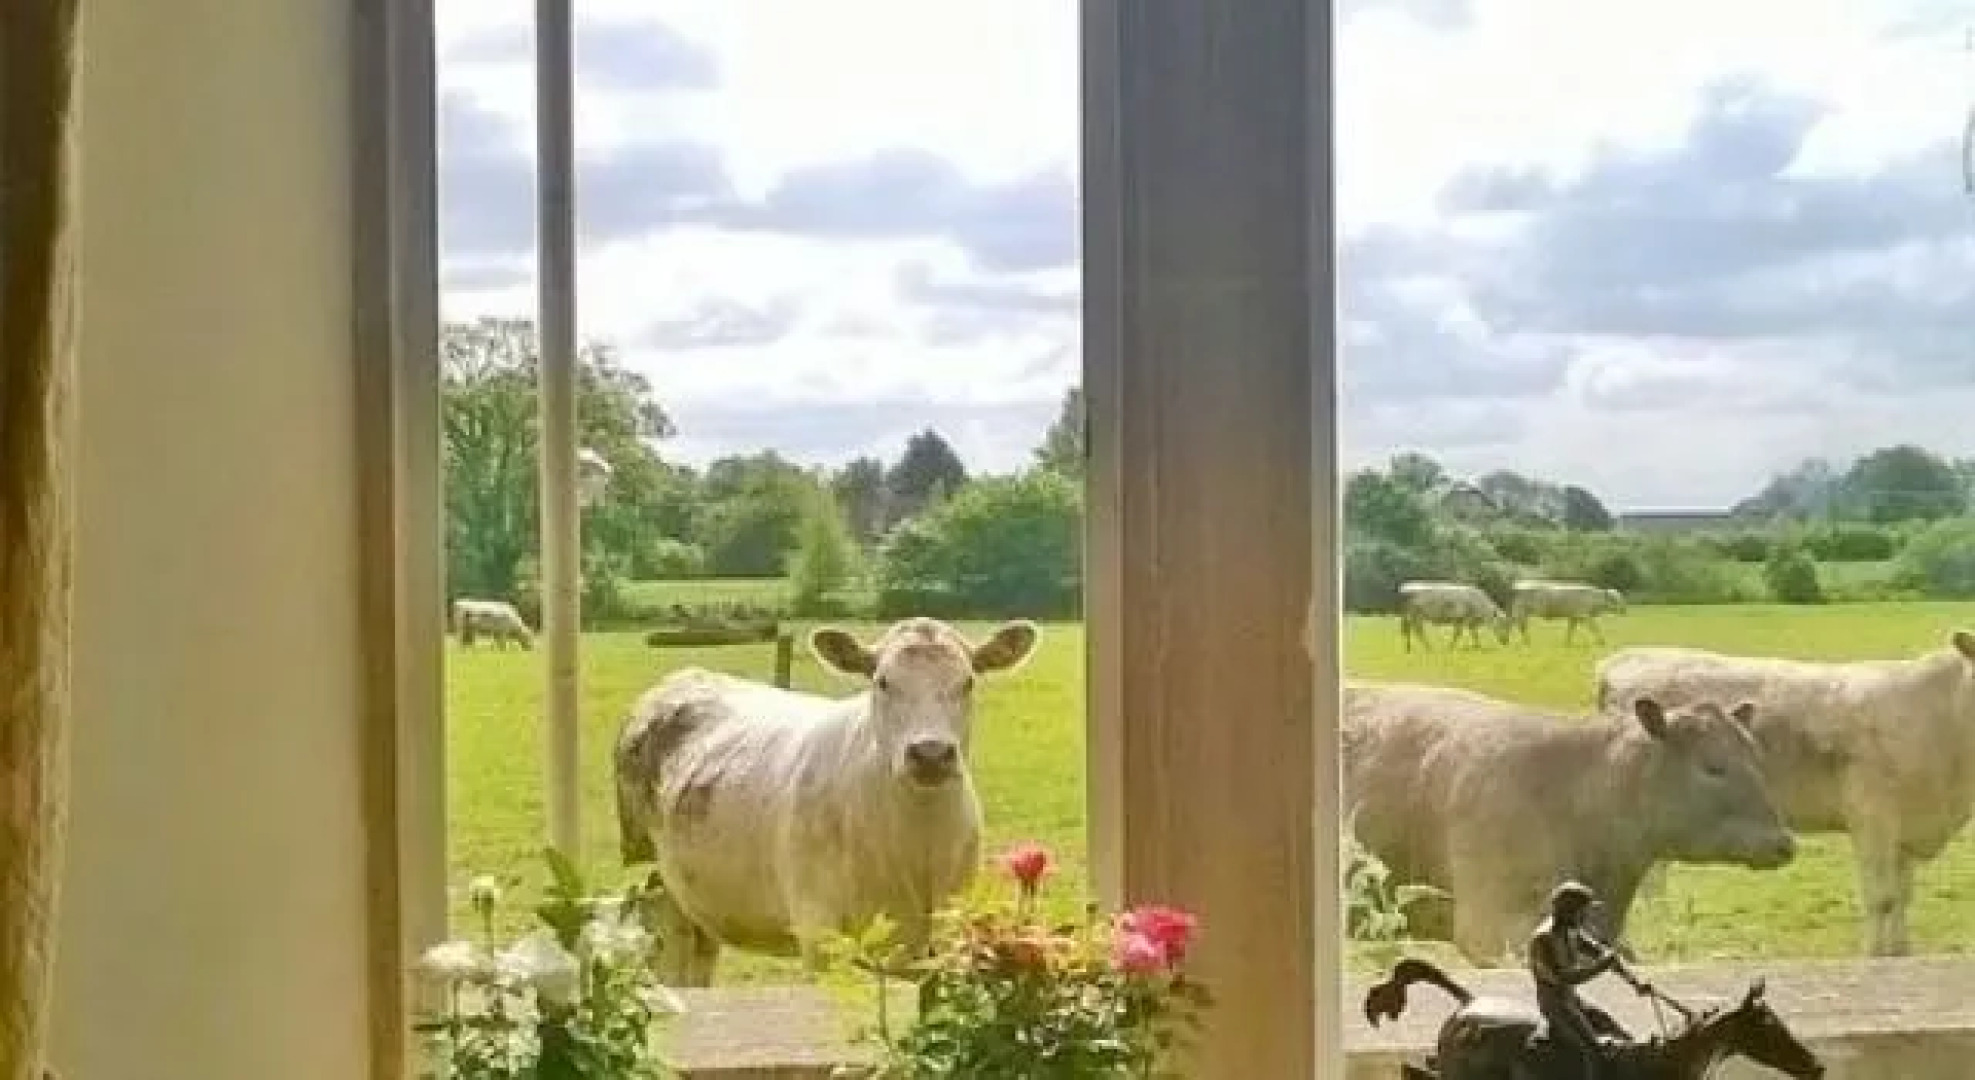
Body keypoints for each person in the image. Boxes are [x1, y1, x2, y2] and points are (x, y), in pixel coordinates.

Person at [1527, 880, 1652, 1078]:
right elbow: (1564, 978)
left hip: (1572, 1000)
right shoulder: (1543, 939)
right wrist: (1601, 966)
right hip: (1554, 1004)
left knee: (1620, 1035)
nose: (1585, 917)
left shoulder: (1571, 931)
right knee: (1593, 1050)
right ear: (1568, 911)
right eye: (1582, 911)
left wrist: (1635, 982)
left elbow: (1602, 953)